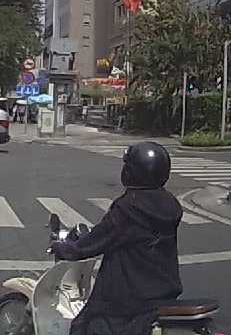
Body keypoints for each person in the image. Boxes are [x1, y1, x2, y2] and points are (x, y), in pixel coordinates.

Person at [49, 141, 182, 335]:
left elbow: (97, 240)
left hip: (130, 297)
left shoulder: (129, 208)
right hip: (164, 290)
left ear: (132, 172)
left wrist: (63, 248)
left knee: (83, 326)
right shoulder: (169, 203)